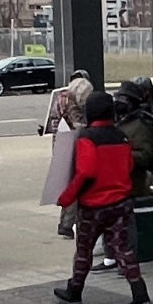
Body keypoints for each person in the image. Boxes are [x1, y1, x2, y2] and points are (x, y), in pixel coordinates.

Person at [55, 91, 152, 304]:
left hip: (94, 206)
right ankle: (140, 293)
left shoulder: (87, 137)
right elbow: (128, 167)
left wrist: (67, 196)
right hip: (121, 203)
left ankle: (74, 292)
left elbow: (86, 172)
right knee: (122, 248)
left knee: (84, 250)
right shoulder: (121, 136)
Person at [43, 72, 95, 237]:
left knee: (68, 183)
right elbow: (78, 125)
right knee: (76, 182)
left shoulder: (60, 98)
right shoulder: (71, 102)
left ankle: (65, 223)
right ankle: (68, 223)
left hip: (59, 143)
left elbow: (52, 122)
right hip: (73, 144)